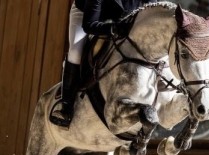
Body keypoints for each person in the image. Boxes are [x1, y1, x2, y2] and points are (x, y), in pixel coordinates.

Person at [50, 0, 157, 128]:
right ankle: (66, 106)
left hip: (120, 21)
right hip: (87, 16)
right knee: (75, 52)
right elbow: (90, 25)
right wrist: (114, 28)